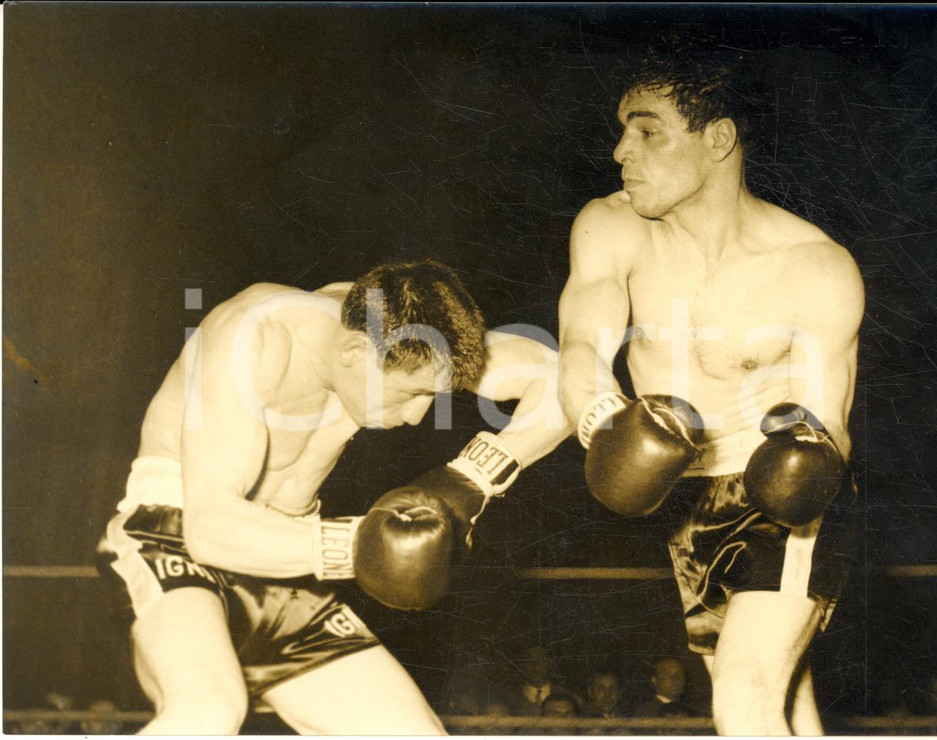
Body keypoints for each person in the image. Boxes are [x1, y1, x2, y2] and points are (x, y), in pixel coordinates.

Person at [97, 259, 572, 735]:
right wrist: (365, 547)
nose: (415, 417)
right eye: (410, 394)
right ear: (354, 352)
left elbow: (564, 380)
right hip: (173, 539)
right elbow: (210, 531)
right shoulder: (254, 335)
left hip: (286, 568)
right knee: (205, 713)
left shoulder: (405, 329)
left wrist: (469, 480)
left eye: (432, 397)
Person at [558, 39, 864, 735]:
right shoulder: (610, 227)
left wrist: (804, 443)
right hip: (682, 505)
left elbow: (832, 424)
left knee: (744, 695)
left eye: (648, 132)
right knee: (782, 702)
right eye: (621, 131)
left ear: (719, 139)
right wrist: (605, 423)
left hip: (784, 504)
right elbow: (580, 346)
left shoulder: (815, 266)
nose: (620, 152)